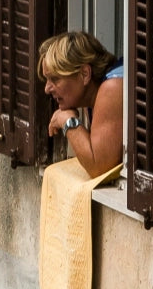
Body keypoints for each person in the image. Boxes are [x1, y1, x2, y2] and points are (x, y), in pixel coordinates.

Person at [38, 31, 123, 178]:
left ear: (84, 74)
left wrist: (68, 121)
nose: (47, 89)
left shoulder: (112, 88)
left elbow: (98, 167)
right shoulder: (90, 92)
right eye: (47, 79)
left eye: (55, 79)